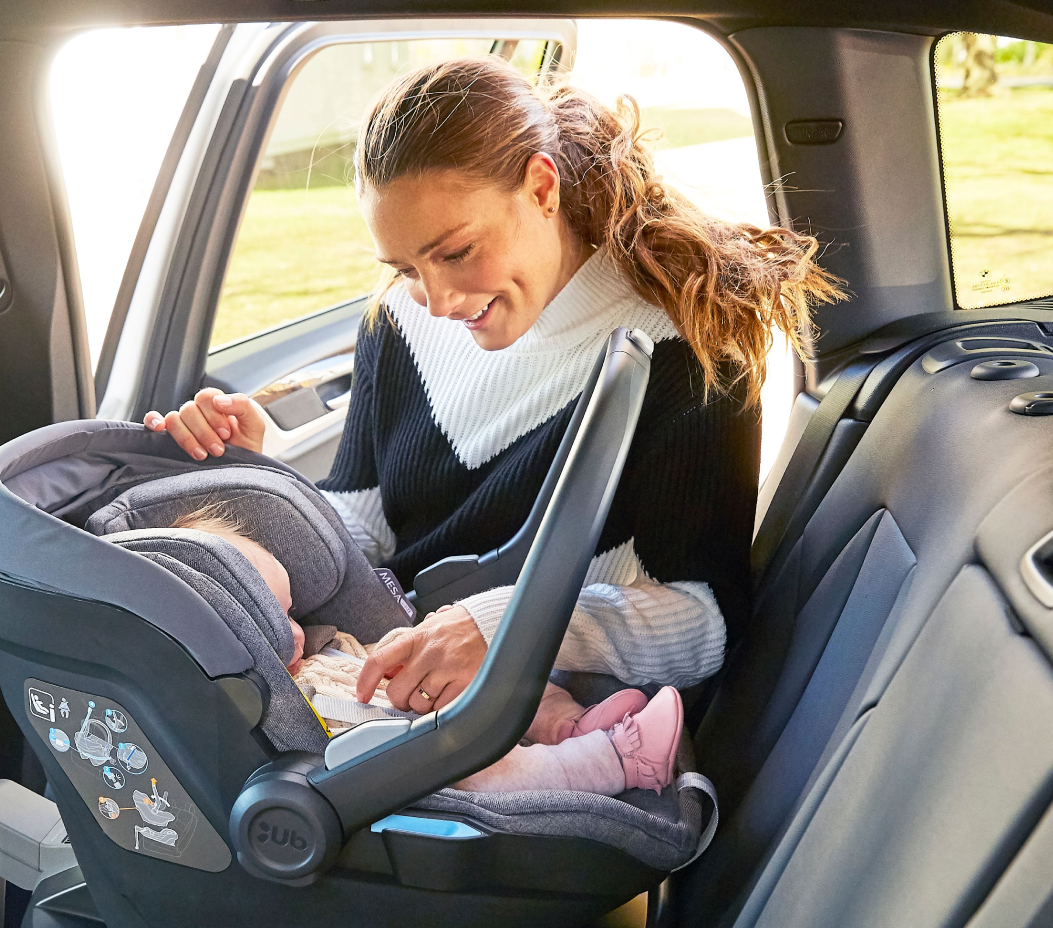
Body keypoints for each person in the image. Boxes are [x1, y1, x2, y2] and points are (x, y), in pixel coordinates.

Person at [146, 56, 841, 718]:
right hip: (387, 667)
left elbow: (704, 620)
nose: (438, 298)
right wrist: (262, 479)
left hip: (560, 707)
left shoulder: (681, 349)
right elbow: (363, 532)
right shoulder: (399, 317)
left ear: (542, 189)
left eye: (456, 253)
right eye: (407, 266)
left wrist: (505, 626)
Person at [171, 505, 684, 796]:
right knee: (482, 773)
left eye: (291, 610)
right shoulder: (265, 708)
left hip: (419, 704)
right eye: (275, 623)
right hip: (417, 762)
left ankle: (563, 725)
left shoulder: (316, 648)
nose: (297, 631)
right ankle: (612, 761)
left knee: (496, 677)